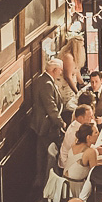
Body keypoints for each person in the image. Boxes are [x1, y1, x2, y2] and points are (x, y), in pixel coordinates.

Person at [30, 59, 65, 189]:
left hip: (43, 126)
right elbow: (51, 107)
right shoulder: (46, 83)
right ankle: (46, 183)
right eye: (60, 70)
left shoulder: (43, 79)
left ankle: (44, 181)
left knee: (43, 155)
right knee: (45, 156)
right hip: (46, 127)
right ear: (54, 70)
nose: (61, 73)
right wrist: (62, 123)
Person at [64, 123, 101, 197]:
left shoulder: (74, 145)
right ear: (88, 137)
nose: (99, 134)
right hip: (77, 189)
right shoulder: (91, 152)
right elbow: (95, 174)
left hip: (65, 187)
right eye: (96, 132)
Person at [59, 105, 95, 169]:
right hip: (68, 165)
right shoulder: (75, 132)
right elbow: (79, 152)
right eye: (89, 117)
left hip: (76, 156)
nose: (92, 118)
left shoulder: (79, 124)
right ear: (80, 118)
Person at [57, 36, 87, 103]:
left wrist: (82, 84)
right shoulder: (68, 57)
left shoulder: (75, 56)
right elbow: (68, 77)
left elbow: (77, 71)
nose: (83, 48)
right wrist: (77, 92)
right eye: (82, 46)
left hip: (71, 86)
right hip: (65, 87)